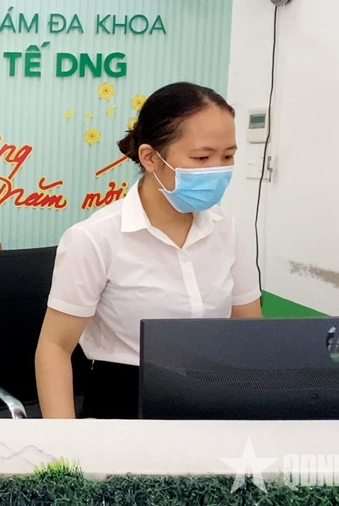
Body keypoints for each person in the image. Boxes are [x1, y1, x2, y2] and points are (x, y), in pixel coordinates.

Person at [35, 82, 262, 420]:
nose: (217, 169)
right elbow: (54, 347)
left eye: (228, 156)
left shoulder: (225, 229)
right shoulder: (94, 239)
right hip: (125, 401)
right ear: (151, 157)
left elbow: (250, 333)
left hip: (213, 395)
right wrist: (64, 442)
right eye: (202, 157)